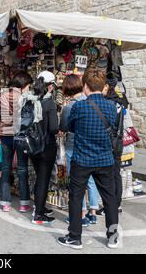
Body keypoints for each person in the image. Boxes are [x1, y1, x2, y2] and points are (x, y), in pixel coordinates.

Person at [57, 69, 119, 250]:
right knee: (110, 198)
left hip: (82, 159)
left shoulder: (78, 107)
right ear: (104, 87)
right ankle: (113, 236)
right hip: (105, 159)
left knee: (75, 197)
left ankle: (75, 237)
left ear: (85, 87)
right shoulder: (111, 107)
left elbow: (71, 127)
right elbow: (113, 128)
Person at [60, 74, 98, 226]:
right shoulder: (91, 102)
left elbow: (63, 127)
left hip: (73, 147)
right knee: (90, 179)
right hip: (89, 146)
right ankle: (93, 212)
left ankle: (81, 215)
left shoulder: (70, 107)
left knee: (76, 181)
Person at [26, 71, 59, 224]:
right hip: (46, 146)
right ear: (50, 86)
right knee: (43, 180)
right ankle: (38, 214)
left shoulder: (30, 100)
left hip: (32, 145)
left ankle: (40, 207)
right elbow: (53, 128)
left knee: (40, 178)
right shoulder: (49, 104)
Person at [0, 71, 33, 212]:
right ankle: (24, 203)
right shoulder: (25, 97)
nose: (29, 88)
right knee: (22, 168)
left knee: (6, 168)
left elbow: (3, 117)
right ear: (24, 84)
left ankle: (5, 202)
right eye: (28, 86)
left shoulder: (3, 96)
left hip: (5, 135)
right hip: (20, 135)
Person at [96, 72, 126, 216]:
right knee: (116, 174)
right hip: (119, 141)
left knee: (109, 175)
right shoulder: (120, 101)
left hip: (111, 141)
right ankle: (117, 203)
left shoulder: (108, 103)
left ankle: (111, 205)